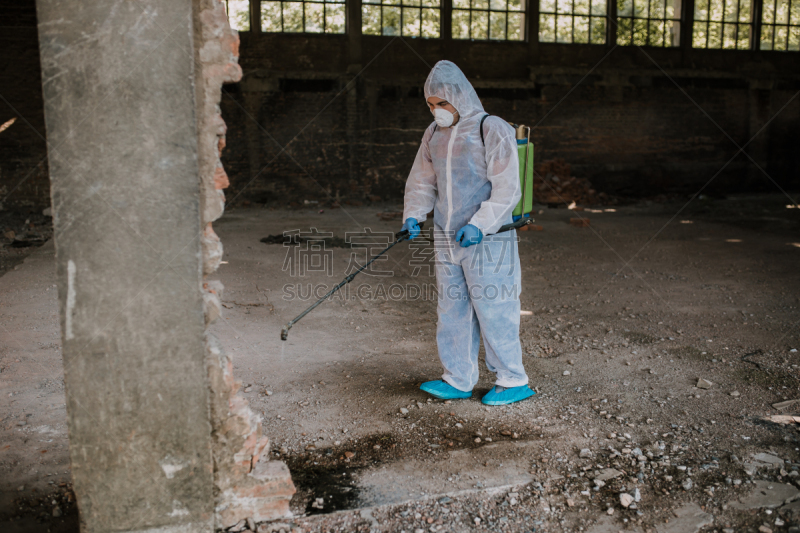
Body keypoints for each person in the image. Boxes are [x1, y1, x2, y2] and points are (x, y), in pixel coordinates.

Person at [401, 60, 535, 406]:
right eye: (430, 105)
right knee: (452, 308)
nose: (436, 111)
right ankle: (458, 378)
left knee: (495, 305)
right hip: (447, 236)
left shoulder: (491, 128)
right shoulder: (433, 134)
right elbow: (421, 180)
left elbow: (508, 188)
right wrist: (414, 215)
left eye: (441, 103)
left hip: (489, 238)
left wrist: (480, 224)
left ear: (459, 96)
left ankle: (512, 379)